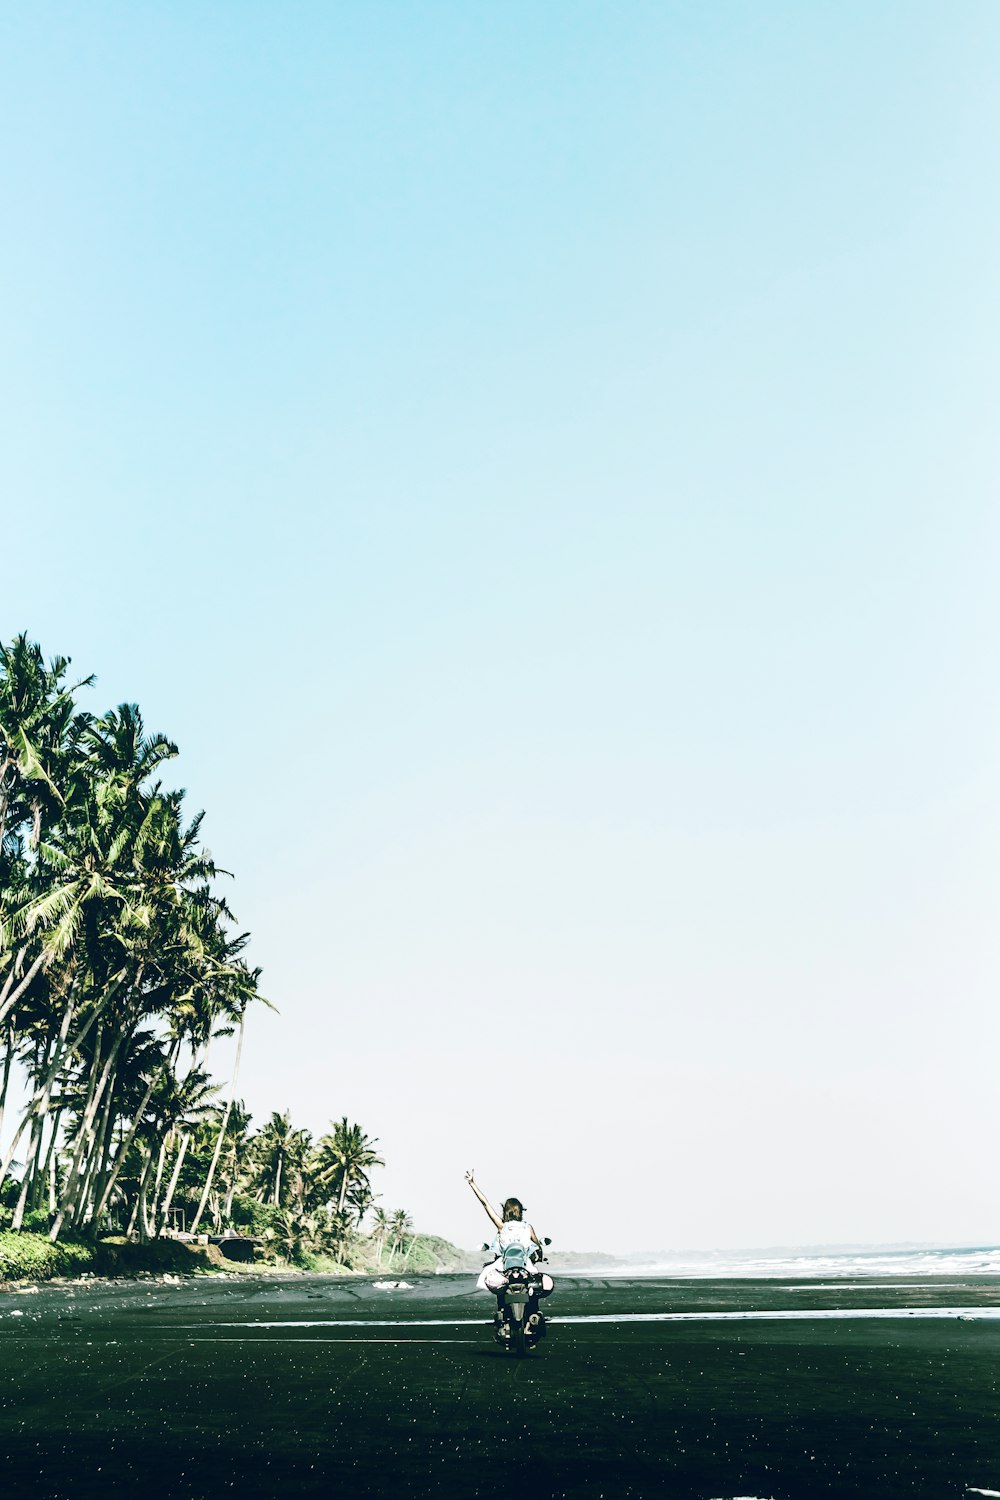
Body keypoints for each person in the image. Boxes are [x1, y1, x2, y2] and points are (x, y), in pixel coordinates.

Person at [465, 1170, 553, 1299]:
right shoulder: (528, 1227)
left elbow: (485, 1204)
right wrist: (540, 1255)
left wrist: (472, 1183)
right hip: (524, 1263)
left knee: (493, 1277)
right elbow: (538, 1246)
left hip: (504, 1263)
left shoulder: (502, 1226)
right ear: (520, 1211)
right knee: (536, 1282)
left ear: (505, 1211)